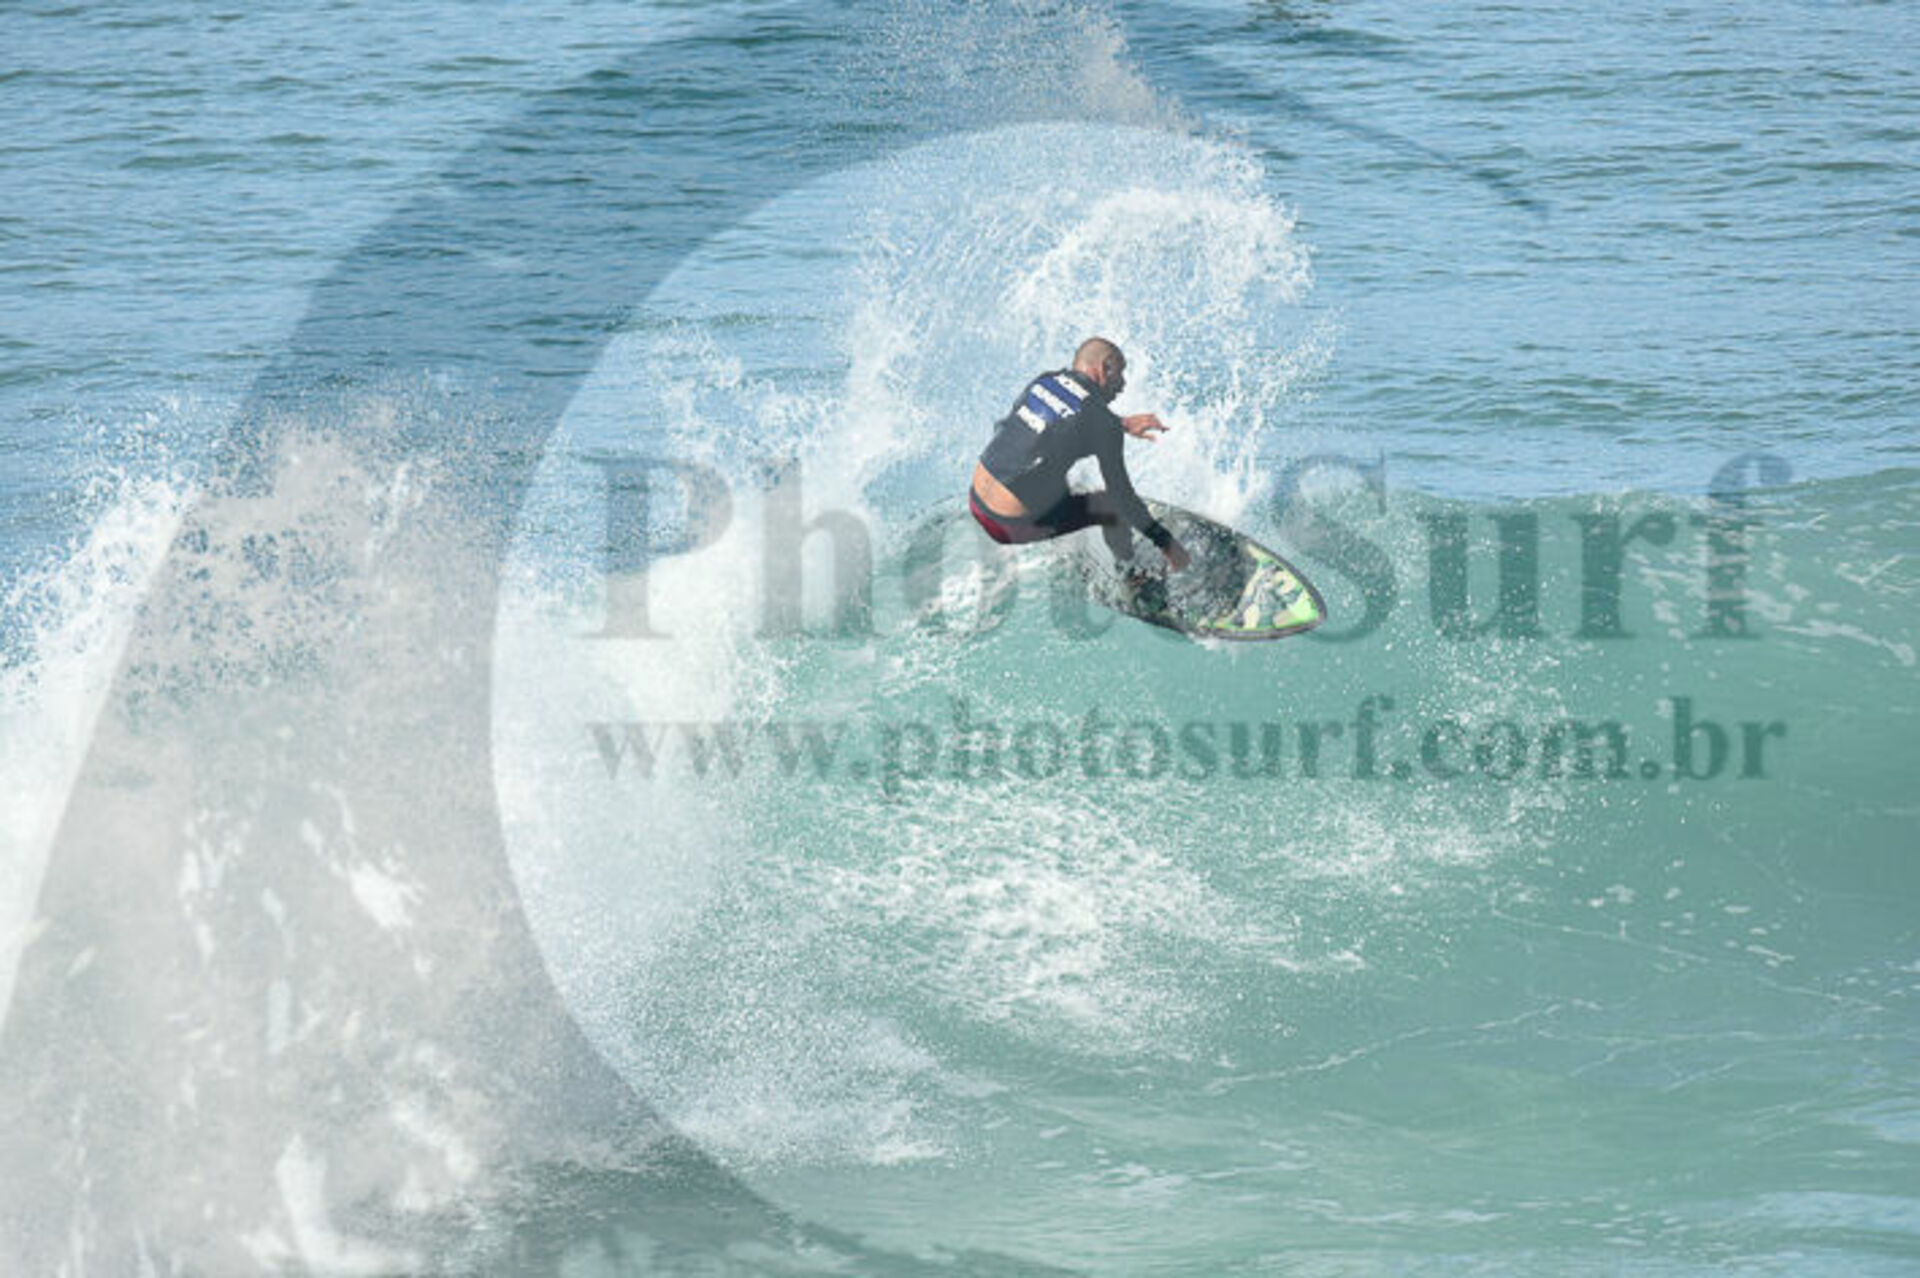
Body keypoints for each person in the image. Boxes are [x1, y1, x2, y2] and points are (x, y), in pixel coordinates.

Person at [969, 338, 1192, 575]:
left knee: (1057, 474)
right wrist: (1166, 543)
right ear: (1105, 367)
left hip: (975, 500)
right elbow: (1123, 497)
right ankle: (1132, 576)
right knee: (1110, 507)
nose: (1123, 384)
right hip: (1008, 525)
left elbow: (1062, 420)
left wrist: (1122, 423)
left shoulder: (1045, 381)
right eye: (1120, 373)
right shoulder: (1103, 424)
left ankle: (1062, 532)